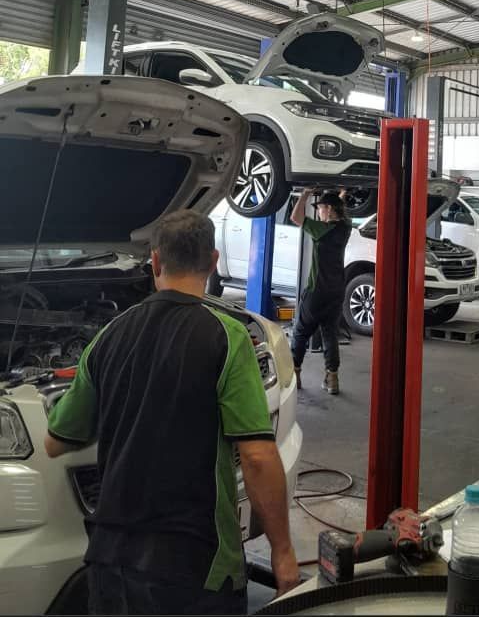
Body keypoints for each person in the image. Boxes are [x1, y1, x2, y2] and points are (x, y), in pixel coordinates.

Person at [44, 209, 299, 615]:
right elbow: (256, 456)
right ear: (214, 262)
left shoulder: (108, 337)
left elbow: (57, 442)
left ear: (156, 261)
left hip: (112, 565)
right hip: (196, 570)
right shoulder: (228, 338)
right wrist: (283, 553)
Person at [290, 188, 352, 395]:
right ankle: (332, 378)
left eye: (321, 208)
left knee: (300, 332)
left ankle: (295, 374)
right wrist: (340, 195)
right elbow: (340, 210)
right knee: (330, 334)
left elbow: (295, 217)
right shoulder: (345, 228)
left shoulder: (320, 230)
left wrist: (306, 194)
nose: (318, 212)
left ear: (329, 209)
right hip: (336, 293)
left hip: (316, 292)